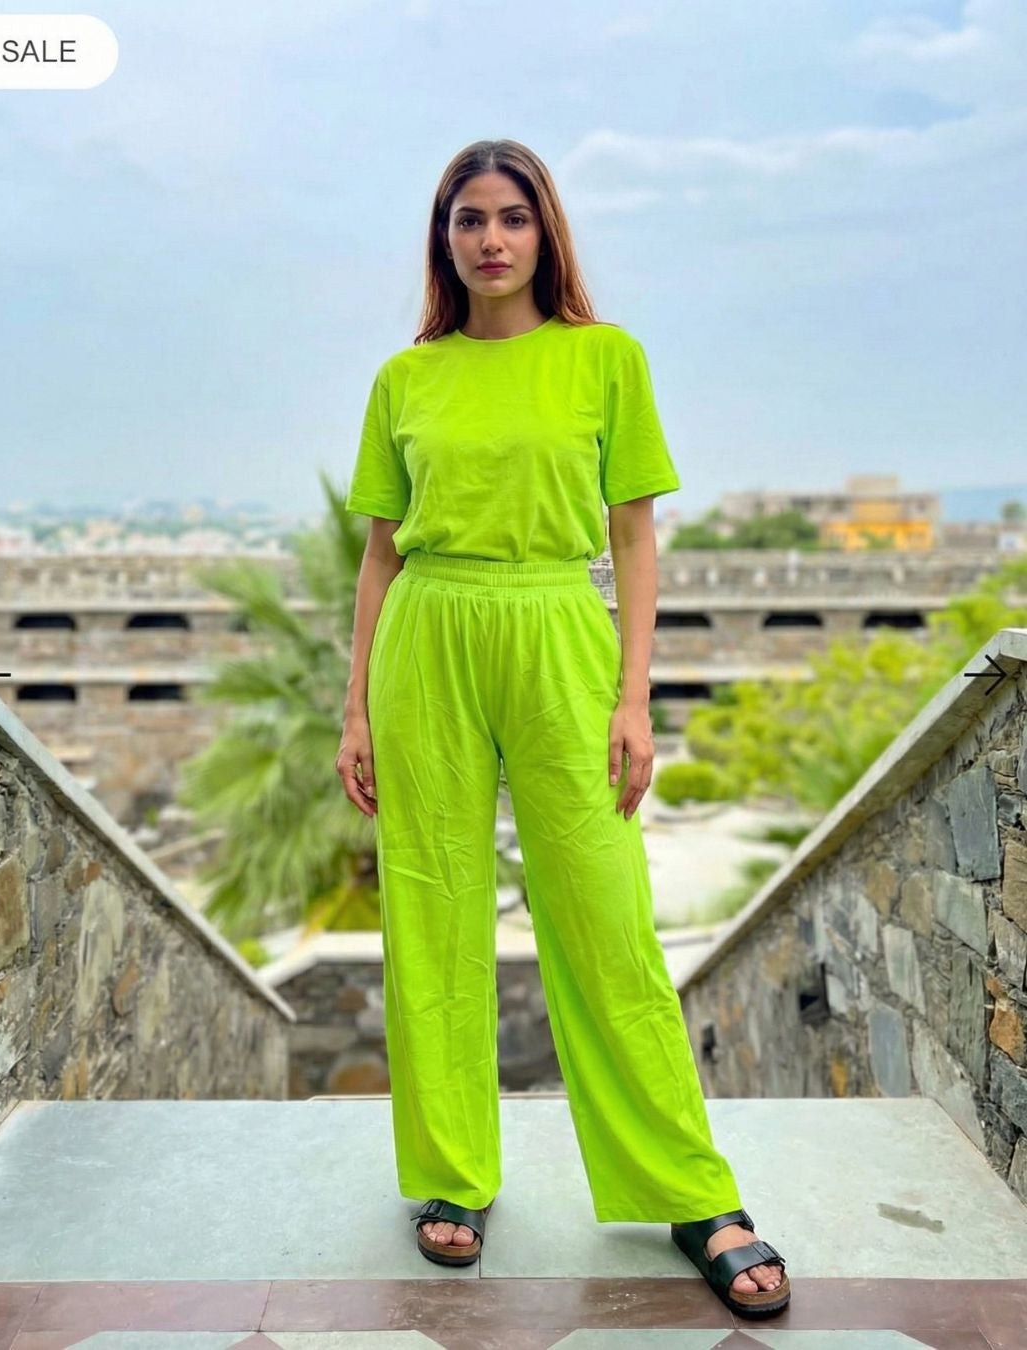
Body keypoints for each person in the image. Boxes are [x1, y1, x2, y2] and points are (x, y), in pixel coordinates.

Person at [334, 139, 789, 1320]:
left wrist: (634, 697)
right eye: (469, 219)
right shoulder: (407, 378)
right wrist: (356, 707)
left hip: (558, 631)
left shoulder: (605, 358)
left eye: (512, 217)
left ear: (546, 234)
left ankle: (691, 1192)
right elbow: (380, 554)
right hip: (427, 636)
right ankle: (452, 1172)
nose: (490, 239)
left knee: (604, 915)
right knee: (432, 909)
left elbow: (633, 538)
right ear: (444, 240)